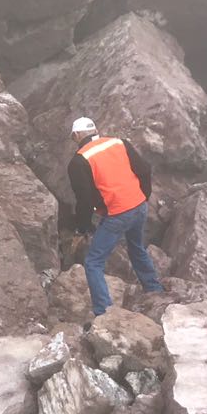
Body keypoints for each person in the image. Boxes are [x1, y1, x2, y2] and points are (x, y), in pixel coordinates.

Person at [67, 116, 164, 318]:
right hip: (139, 206)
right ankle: (154, 289)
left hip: (118, 213)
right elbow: (145, 169)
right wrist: (144, 196)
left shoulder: (79, 160)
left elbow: (84, 201)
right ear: (95, 130)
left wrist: (82, 229)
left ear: (76, 135)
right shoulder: (119, 143)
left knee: (93, 262)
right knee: (136, 247)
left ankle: (104, 313)